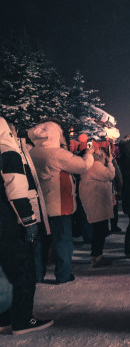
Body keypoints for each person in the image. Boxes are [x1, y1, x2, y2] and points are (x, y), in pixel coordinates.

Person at [0, 117, 53, 334]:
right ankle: (23, 319)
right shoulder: (7, 149)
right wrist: (28, 218)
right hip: (8, 218)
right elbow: (15, 183)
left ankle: (5, 316)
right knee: (22, 268)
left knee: (5, 270)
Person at [27, 120, 94, 283]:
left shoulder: (32, 153)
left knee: (40, 241)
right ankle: (63, 275)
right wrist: (89, 153)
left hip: (39, 206)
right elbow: (83, 166)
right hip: (59, 205)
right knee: (62, 241)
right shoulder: (58, 154)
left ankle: (37, 274)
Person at [78, 147, 116, 267]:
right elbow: (110, 175)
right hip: (97, 202)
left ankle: (97, 255)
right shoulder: (96, 165)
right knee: (100, 231)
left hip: (94, 200)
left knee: (98, 230)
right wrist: (110, 162)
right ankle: (96, 257)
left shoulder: (88, 165)